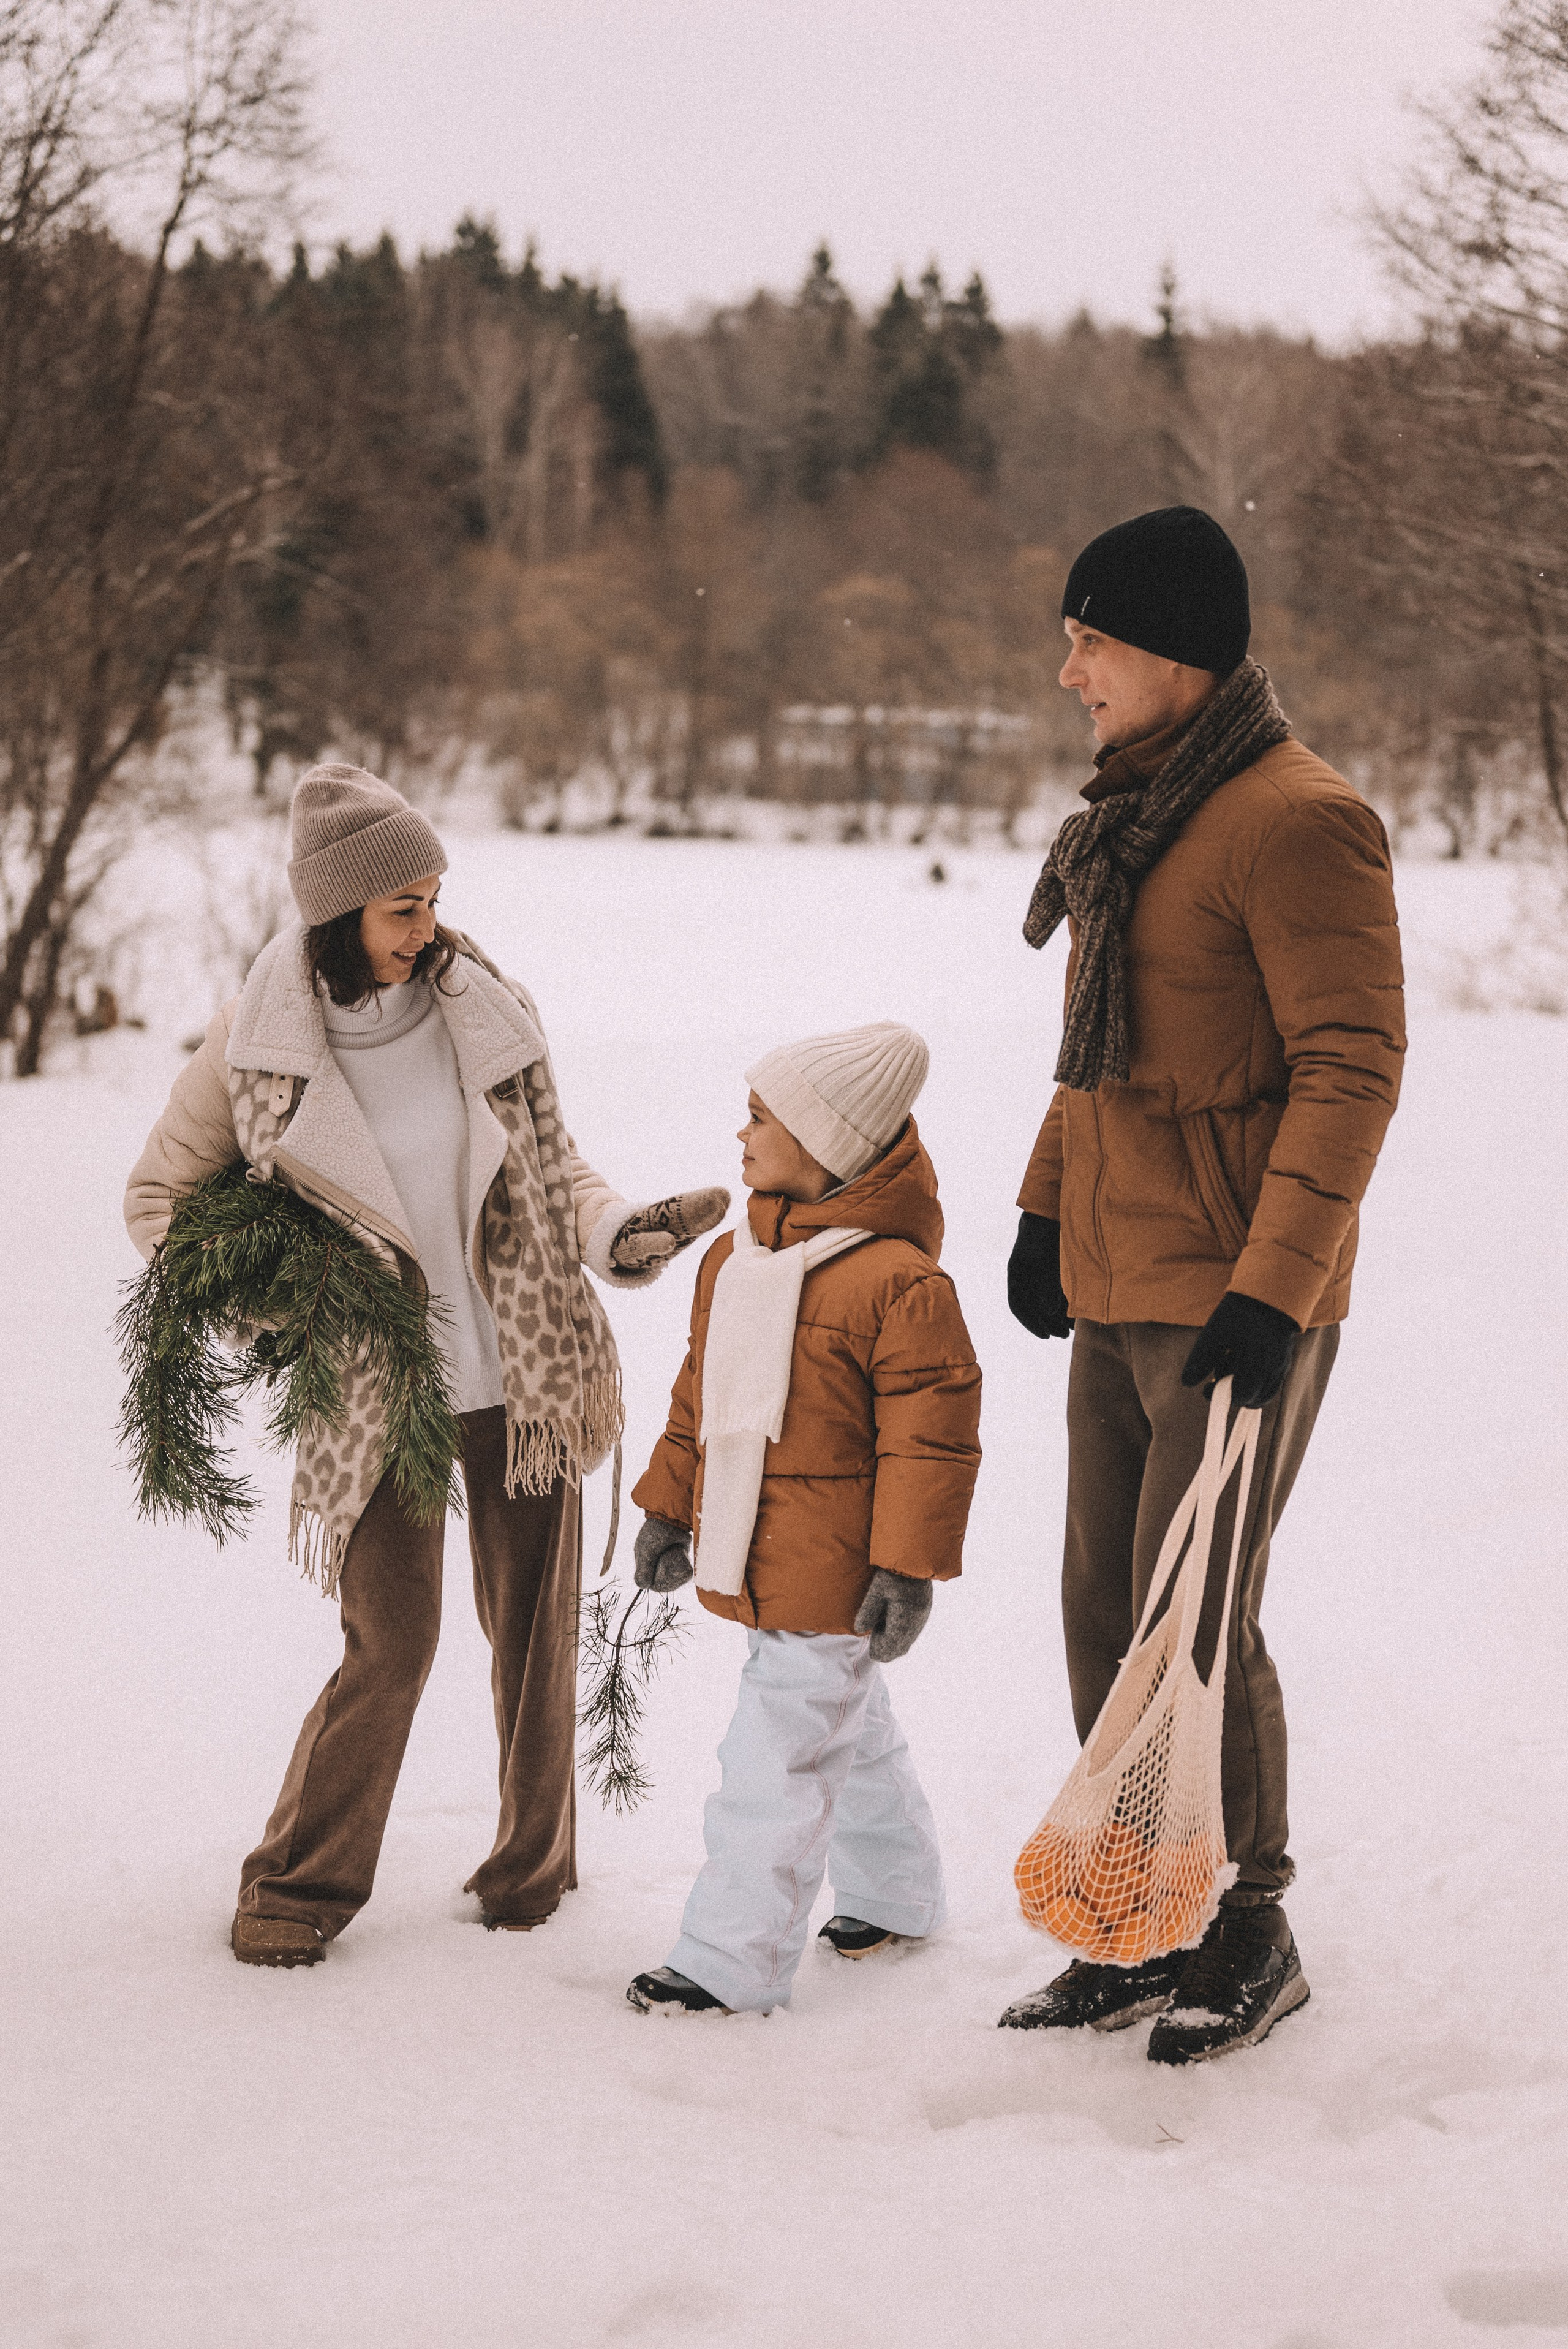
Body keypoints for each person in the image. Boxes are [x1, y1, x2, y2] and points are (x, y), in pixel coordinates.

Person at [124, 763, 727, 1966]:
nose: (429, 925)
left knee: (535, 1637)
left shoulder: (481, 1004)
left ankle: (530, 1877)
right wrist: (287, 1301)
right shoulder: (257, 1049)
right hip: (374, 1391)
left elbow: (553, 1172)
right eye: (404, 905)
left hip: (523, 1373)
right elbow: (158, 1203)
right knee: (391, 1644)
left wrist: (621, 1234)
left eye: (435, 895)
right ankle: (296, 1886)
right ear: (337, 913)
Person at [1001, 508, 1405, 2062]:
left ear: (1169, 649)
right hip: (1120, 1272)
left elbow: (1349, 1067)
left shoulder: (1295, 819)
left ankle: (1247, 1922)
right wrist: (1045, 1211)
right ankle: (1135, 1911)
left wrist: (1276, 1287)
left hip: (1237, 1291)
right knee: (1102, 1604)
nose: (1066, 673)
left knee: (1193, 1612)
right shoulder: (1142, 815)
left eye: (1087, 640)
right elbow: (1095, 1055)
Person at [624, 1023, 982, 2015]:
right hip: (758, 1543)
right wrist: (665, 1503)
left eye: (761, 1118)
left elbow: (933, 1444)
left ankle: (730, 1960)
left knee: (775, 1755)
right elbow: (698, 1395)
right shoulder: (736, 1262)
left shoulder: (899, 1284)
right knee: (846, 1727)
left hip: (839, 1567)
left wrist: (907, 1568)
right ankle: (898, 1896)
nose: (741, 1135)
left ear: (828, 1144)